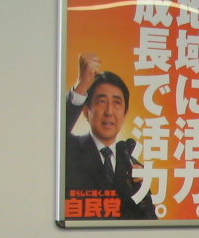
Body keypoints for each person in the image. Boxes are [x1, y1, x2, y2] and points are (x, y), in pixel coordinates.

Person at [64, 52, 156, 220]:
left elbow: (150, 223)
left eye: (116, 103)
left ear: (125, 113)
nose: (109, 112)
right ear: (86, 111)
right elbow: (51, 133)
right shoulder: (70, 148)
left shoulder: (131, 164)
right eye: (101, 101)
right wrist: (81, 86)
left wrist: (142, 196)